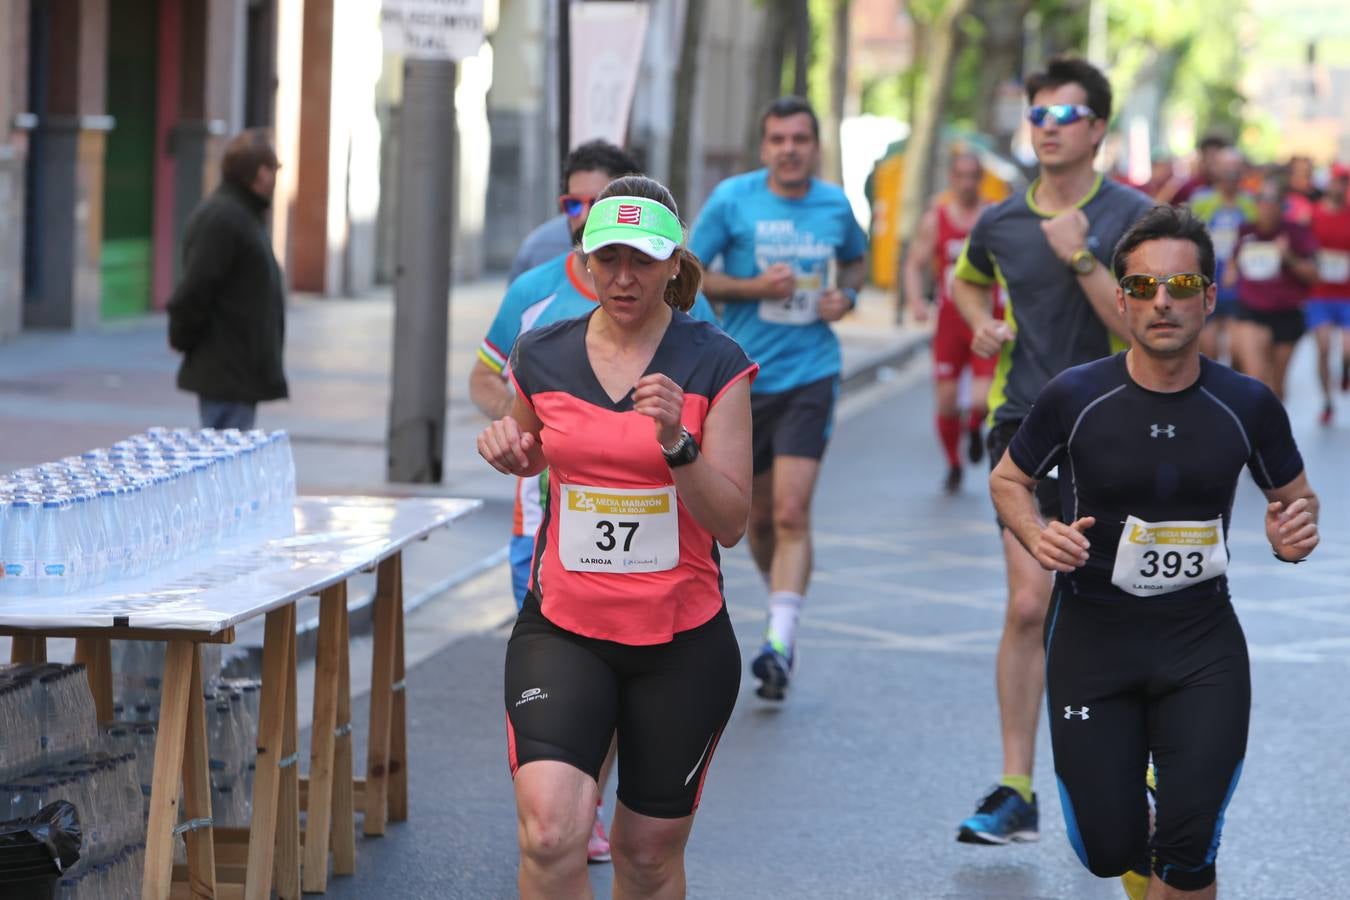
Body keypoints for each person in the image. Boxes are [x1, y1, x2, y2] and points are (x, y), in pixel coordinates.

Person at [990, 204, 1319, 900]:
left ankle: (1179, 842)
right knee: (1109, 850)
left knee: (1189, 848)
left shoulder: (1246, 404)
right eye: (1142, 288)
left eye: (1179, 286)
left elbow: (1297, 497)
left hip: (1202, 645)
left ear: (1209, 296)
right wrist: (1033, 531)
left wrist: (1292, 533)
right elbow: (1009, 479)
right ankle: (1139, 812)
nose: (1161, 302)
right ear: (1120, 300)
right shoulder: (1076, 396)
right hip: (1093, 641)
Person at [479, 176, 756, 899]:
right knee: (549, 833)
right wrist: (510, 447)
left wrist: (678, 443)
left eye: (642, 259)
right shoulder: (542, 354)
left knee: (646, 856)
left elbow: (730, 522)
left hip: (680, 639)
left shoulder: (715, 362)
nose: (624, 277)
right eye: (608, 259)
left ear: (673, 263)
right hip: (565, 627)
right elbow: (534, 445)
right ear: (586, 260)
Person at [950, 55, 1153, 844]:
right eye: (1037, 114)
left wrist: (1080, 254)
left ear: (1097, 129)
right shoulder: (1000, 221)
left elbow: (1141, 324)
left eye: (1064, 116)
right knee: (1030, 602)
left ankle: (1134, 763)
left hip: (1118, 427)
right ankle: (1016, 787)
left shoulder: (1134, 216)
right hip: (1026, 426)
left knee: (1117, 603)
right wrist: (980, 320)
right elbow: (964, 279)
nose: (1046, 128)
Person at [689, 95, 867, 701]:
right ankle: (780, 605)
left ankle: (780, 642)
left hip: (811, 374)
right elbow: (688, 271)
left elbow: (856, 264)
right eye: (778, 139)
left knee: (792, 512)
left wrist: (848, 300)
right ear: (764, 148)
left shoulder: (835, 205)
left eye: (800, 139)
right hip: (742, 379)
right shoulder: (733, 200)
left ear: (815, 147)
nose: (790, 149)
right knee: (758, 519)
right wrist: (752, 286)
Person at [167, 128, 287, 429]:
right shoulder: (225, 218)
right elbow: (196, 288)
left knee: (230, 460)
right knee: (225, 463)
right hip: (227, 371)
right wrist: (181, 335)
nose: (275, 179)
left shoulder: (242, 214)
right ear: (260, 174)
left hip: (236, 369)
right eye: (272, 170)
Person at [902, 150, 1001, 492]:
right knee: (945, 401)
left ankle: (974, 428)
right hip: (949, 322)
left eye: (973, 176)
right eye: (960, 176)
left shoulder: (994, 216)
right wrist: (916, 301)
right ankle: (954, 463)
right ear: (951, 178)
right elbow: (914, 263)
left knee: (981, 400)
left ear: (981, 179)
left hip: (988, 319)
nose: (967, 184)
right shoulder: (937, 219)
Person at [1227, 180, 1317, 401]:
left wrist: (1288, 257)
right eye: (1261, 200)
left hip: (1287, 313)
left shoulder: (1296, 233)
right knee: (1256, 380)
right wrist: (1231, 271)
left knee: (1276, 388)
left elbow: (1313, 275)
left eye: (1272, 201)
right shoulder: (1245, 231)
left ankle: (1272, 432)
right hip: (1252, 310)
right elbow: (1231, 270)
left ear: (1281, 205)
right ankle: (1251, 433)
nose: (1266, 206)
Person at [1188, 149, 1256, 365]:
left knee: (1238, 350)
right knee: (1208, 348)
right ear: (1216, 170)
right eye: (1226, 169)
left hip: (1241, 284)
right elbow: (1189, 237)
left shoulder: (1250, 203)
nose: (1230, 175)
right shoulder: (1201, 200)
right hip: (1208, 279)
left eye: (1235, 169)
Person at [1306, 163, 1350, 424]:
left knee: (1347, 350)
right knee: (1322, 348)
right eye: (1338, 181)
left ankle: (1345, 371)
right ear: (1329, 184)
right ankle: (1327, 401)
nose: (1341, 187)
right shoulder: (1312, 216)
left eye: (1345, 182)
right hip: (1320, 293)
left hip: (1347, 293)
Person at [1170, 134, 1231, 206]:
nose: (1212, 161)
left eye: (1217, 159)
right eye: (1209, 156)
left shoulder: (1237, 189)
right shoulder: (1188, 187)